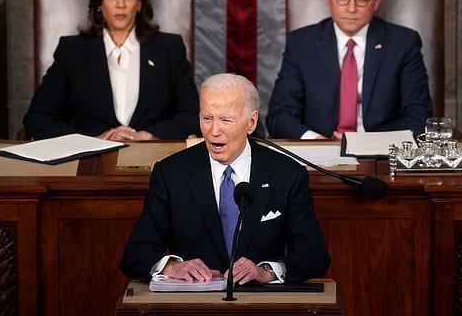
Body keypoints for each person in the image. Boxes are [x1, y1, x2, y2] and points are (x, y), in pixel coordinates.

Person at [120, 73, 330, 285]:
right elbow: (136, 254)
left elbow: (314, 256)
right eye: (207, 118)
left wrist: (266, 271)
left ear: (251, 122)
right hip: (194, 299)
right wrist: (172, 267)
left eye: (226, 120)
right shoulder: (170, 174)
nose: (214, 131)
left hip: (260, 299)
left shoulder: (287, 174)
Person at [23, 0, 200, 141]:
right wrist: (90, 141)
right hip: (92, 155)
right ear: (99, 3)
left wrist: (148, 136)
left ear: (139, 3)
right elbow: (37, 119)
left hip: (154, 154)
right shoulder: (72, 51)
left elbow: (193, 115)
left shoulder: (169, 48)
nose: (120, 4)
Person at [266, 0, 433, 139]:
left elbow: (419, 115)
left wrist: (365, 143)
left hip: (378, 150)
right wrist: (315, 140)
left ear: (377, 1)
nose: (351, 8)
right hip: (319, 148)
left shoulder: (403, 43)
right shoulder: (301, 43)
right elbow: (279, 116)